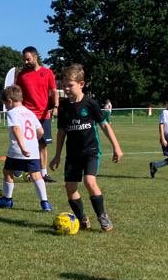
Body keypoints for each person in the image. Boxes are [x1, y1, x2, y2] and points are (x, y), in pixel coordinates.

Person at [49, 64, 123, 232]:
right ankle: (81, 218)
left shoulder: (90, 103)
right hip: (72, 155)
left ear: (81, 84)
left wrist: (116, 147)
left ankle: (102, 216)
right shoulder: (63, 106)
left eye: (70, 85)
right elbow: (61, 132)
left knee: (90, 182)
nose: (66, 88)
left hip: (91, 152)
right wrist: (57, 155)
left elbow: (104, 125)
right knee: (70, 188)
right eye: (64, 85)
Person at [0, 85, 52, 211]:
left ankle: (7, 200)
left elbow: (16, 128)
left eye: (5, 104)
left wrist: (23, 147)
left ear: (9, 101)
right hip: (34, 151)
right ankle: (45, 203)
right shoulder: (30, 112)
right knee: (36, 176)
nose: (6, 106)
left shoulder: (12, 112)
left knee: (7, 172)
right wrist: (32, 142)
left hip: (18, 150)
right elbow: (40, 131)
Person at [16, 46, 59, 182]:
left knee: (43, 145)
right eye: (24, 60)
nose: (26, 62)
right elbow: (17, 94)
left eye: (28, 59)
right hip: (27, 116)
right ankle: (25, 170)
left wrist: (56, 106)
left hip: (44, 115)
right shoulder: (22, 75)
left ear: (35, 57)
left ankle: (43, 173)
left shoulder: (47, 73)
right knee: (26, 144)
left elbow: (53, 91)